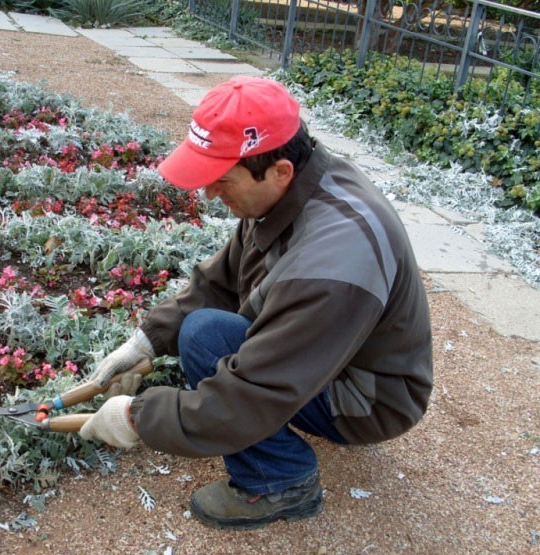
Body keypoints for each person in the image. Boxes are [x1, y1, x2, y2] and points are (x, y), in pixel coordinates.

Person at [79, 76, 433, 530]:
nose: (208, 193)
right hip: (334, 357)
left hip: (369, 399)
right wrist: (146, 341)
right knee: (201, 329)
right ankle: (275, 463)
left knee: (207, 338)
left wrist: (137, 418)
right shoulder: (295, 187)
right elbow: (222, 281)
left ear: (279, 170)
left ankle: (280, 482)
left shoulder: (334, 262)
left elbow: (252, 394)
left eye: (221, 180)